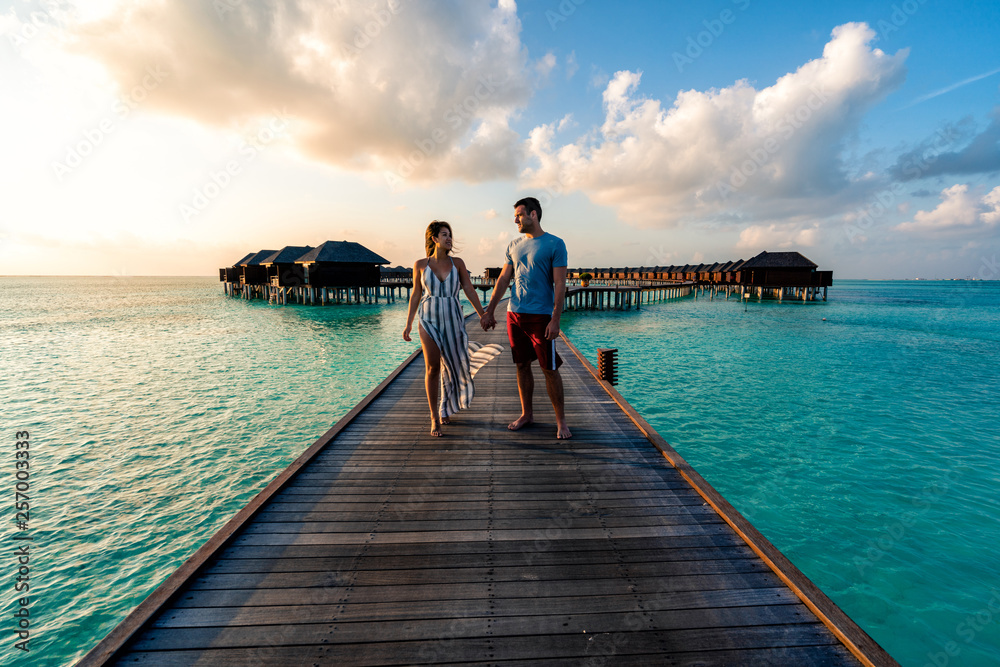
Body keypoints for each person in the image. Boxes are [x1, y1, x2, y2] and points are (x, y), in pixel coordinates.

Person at [481, 197, 571, 439]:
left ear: (533, 214)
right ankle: (527, 414)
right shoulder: (513, 245)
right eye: (515, 216)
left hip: (541, 316)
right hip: (514, 313)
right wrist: (489, 310)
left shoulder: (555, 244)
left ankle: (561, 422)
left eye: (519, 215)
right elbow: (502, 279)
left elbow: (560, 283)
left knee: (549, 367)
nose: (515, 219)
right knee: (521, 365)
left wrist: (556, 318)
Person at [404, 221, 490, 437]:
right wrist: (408, 324)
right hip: (428, 319)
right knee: (432, 367)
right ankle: (435, 417)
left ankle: (445, 406)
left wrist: (482, 314)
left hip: (453, 318)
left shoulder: (458, 263)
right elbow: (415, 295)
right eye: (445, 235)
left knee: (453, 366)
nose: (449, 239)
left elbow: (469, 289)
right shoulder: (420, 264)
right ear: (434, 239)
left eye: (450, 235)